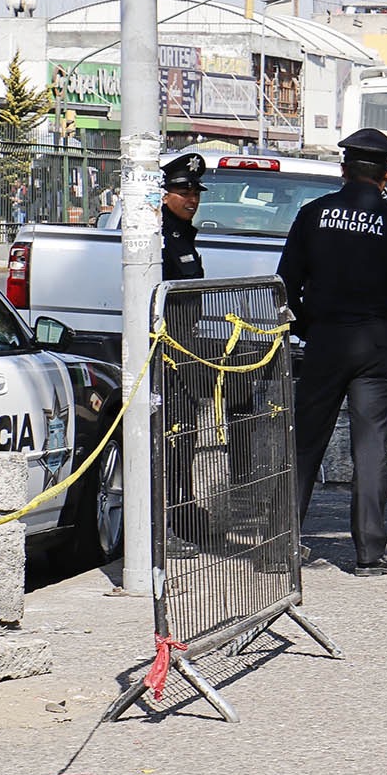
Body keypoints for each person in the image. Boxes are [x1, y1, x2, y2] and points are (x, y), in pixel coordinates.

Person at [278, 127, 387, 576]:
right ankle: (368, 554)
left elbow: (285, 283)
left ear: (343, 170)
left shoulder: (313, 214)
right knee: (371, 448)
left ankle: (281, 547)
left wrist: (308, 327)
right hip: (378, 342)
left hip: (326, 341)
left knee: (305, 444)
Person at [157, 153, 209, 560]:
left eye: (195, 191)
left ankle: (183, 510)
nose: (191, 198)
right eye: (182, 191)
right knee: (167, 443)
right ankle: (164, 524)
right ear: (164, 194)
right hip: (163, 354)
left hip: (184, 351)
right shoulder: (159, 237)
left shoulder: (183, 234)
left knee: (184, 438)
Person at [161, 153, 207, 280]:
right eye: (184, 194)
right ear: (164, 197)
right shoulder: (158, 234)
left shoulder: (184, 231)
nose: (193, 200)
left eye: (196, 194)